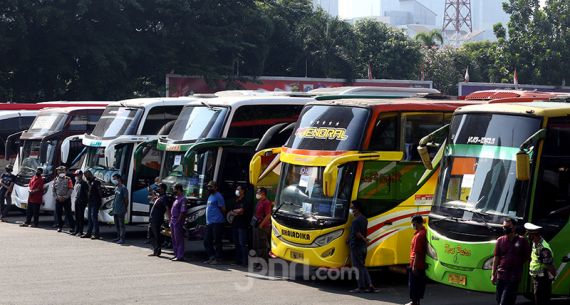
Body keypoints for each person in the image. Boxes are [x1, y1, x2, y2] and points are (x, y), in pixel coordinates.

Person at [491, 218, 531, 305]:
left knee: (504, 302)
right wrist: (493, 274)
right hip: (501, 275)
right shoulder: (500, 240)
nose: (505, 229)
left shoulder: (522, 241)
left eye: (508, 227)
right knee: (499, 300)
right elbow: (496, 258)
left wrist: (516, 264)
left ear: (514, 227)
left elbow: (527, 256)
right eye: (504, 227)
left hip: (513, 276)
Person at [348, 201, 378, 293]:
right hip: (363, 247)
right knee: (362, 267)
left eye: (353, 209)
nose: (352, 211)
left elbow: (357, 233)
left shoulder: (355, 221)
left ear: (358, 209)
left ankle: (361, 287)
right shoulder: (364, 219)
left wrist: (364, 239)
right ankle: (370, 285)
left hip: (356, 246)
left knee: (358, 267)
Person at [524, 222, 556, 305]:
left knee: (541, 300)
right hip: (537, 278)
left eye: (529, 235)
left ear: (533, 235)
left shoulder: (542, 249)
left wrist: (552, 277)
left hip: (542, 280)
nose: (528, 237)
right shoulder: (535, 243)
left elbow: (550, 266)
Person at [406, 215, 427, 304]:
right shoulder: (422, 232)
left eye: (413, 223)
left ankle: (414, 302)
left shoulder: (419, 235)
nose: (412, 225)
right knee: (418, 284)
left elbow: (417, 252)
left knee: (414, 285)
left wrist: (414, 266)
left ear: (417, 223)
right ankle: (416, 301)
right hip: (419, 263)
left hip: (416, 264)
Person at [203, 181, 226, 265]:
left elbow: (223, 209)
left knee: (217, 241)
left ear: (216, 187)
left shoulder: (218, 196)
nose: (209, 188)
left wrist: (221, 218)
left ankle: (218, 258)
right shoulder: (210, 196)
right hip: (209, 223)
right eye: (208, 187)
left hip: (217, 222)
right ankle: (211, 257)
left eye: (211, 187)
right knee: (206, 241)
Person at [228, 184, 250, 266]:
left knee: (242, 244)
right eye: (237, 189)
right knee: (236, 243)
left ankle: (245, 262)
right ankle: (238, 260)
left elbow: (241, 211)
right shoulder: (236, 200)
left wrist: (234, 212)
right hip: (235, 225)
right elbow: (232, 211)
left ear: (243, 191)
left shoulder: (245, 201)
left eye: (238, 189)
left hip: (242, 225)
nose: (237, 190)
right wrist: (235, 211)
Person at [251, 187, 271, 269]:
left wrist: (261, 225)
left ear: (263, 193)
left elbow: (268, 215)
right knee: (256, 245)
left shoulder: (267, 202)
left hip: (262, 227)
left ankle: (263, 264)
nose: (257, 194)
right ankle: (257, 263)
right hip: (256, 226)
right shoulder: (260, 202)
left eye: (258, 192)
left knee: (262, 247)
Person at [52, 166, 75, 233]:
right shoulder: (55, 179)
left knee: (68, 213)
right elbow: (53, 190)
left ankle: (72, 227)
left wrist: (65, 197)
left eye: (63, 170)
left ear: (65, 171)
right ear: (57, 172)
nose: (61, 172)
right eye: (59, 170)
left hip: (66, 199)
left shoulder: (68, 179)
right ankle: (59, 227)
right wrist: (57, 197)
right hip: (58, 199)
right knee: (58, 213)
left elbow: (70, 189)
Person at [148, 183, 169, 257]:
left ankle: (157, 250)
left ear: (162, 189)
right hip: (152, 219)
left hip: (157, 219)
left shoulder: (164, 198)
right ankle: (156, 249)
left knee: (156, 235)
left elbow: (167, 208)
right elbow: (153, 197)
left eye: (159, 187)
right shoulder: (159, 197)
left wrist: (169, 218)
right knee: (151, 235)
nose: (157, 188)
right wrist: (152, 194)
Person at [81, 170, 103, 240]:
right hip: (90, 202)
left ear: (89, 174)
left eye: (86, 175)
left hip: (96, 202)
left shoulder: (96, 181)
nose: (85, 177)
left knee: (94, 218)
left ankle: (96, 234)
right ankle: (88, 233)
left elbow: (100, 193)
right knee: (90, 218)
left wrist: (100, 202)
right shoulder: (89, 181)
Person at [170, 183, 187, 261]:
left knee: (179, 239)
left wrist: (178, 221)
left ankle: (180, 256)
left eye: (174, 189)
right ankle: (176, 254)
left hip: (178, 221)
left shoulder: (183, 199)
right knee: (174, 239)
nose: (173, 190)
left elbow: (182, 212)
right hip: (173, 221)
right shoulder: (176, 198)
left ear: (179, 189)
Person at [111, 174, 128, 244]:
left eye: (114, 179)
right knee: (117, 224)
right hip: (115, 209)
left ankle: (122, 239)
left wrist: (125, 207)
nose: (114, 181)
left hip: (121, 209)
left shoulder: (123, 188)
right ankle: (118, 237)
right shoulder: (116, 188)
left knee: (121, 225)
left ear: (119, 179)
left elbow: (126, 199)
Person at [72, 170, 88, 236]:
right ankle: (76, 230)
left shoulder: (84, 183)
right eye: (76, 175)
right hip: (77, 200)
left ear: (81, 175)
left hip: (82, 201)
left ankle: (80, 231)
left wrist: (85, 201)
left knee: (81, 217)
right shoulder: (77, 183)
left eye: (77, 175)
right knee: (76, 216)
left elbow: (87, 194)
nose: (76, 176)